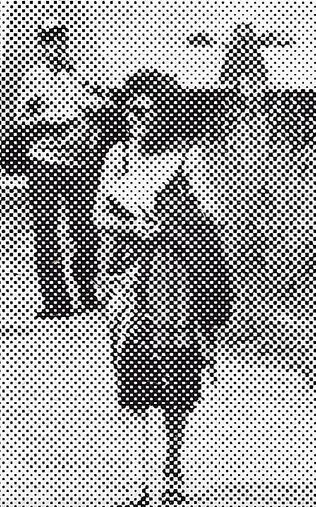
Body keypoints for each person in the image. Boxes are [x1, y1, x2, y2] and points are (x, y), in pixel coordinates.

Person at [95, 70, 229, 507]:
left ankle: (172, 474)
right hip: (130, 275)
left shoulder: (187, 159)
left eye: (149, 108)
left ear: (166, 111)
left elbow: (208, 222)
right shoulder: (117, 158)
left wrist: (170, 229)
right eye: (133, 109)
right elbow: (101, 217)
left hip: (176, 278)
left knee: (178, 375)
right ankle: (138, 479)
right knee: (133, 375)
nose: (140, 116)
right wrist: (132, 229)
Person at [17, 23, 111, 318]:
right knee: (46, 232)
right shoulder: (33, 78)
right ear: (40, 47)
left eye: (59, 42)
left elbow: (105, 108)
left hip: (80, 163)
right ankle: (55, 300)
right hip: (43, 162)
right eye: (47, 43)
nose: (54, 49)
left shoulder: (82, 74)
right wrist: (52, 123)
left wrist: (92, 114)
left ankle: (88, 293)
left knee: (84, 229)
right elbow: (22, 121)